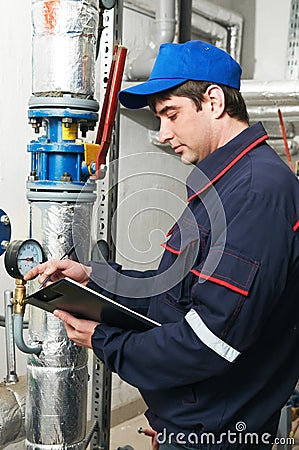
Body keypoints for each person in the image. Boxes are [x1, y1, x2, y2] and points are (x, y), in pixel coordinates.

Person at [24, 40, 299, 450]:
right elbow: (173, 291)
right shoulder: (223, 184)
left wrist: (105, 340)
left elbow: (209, 343)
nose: (164, 134)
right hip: (193, 424)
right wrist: (94, 278)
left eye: (171, 114)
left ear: (214, 101)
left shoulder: (257, 193)